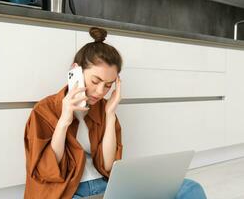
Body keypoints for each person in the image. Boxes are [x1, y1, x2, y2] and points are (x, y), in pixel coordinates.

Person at [23, 27, 207, 199]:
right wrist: (64, 121)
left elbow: (109, 166)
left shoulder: (104, 109)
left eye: (108, 85)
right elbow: (45, 172)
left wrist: (110, 115)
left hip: (106, 187)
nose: (100, 91)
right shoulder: (44, 110)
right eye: (95, 81)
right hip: (67, 192)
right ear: (75, 71)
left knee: (191, 188)